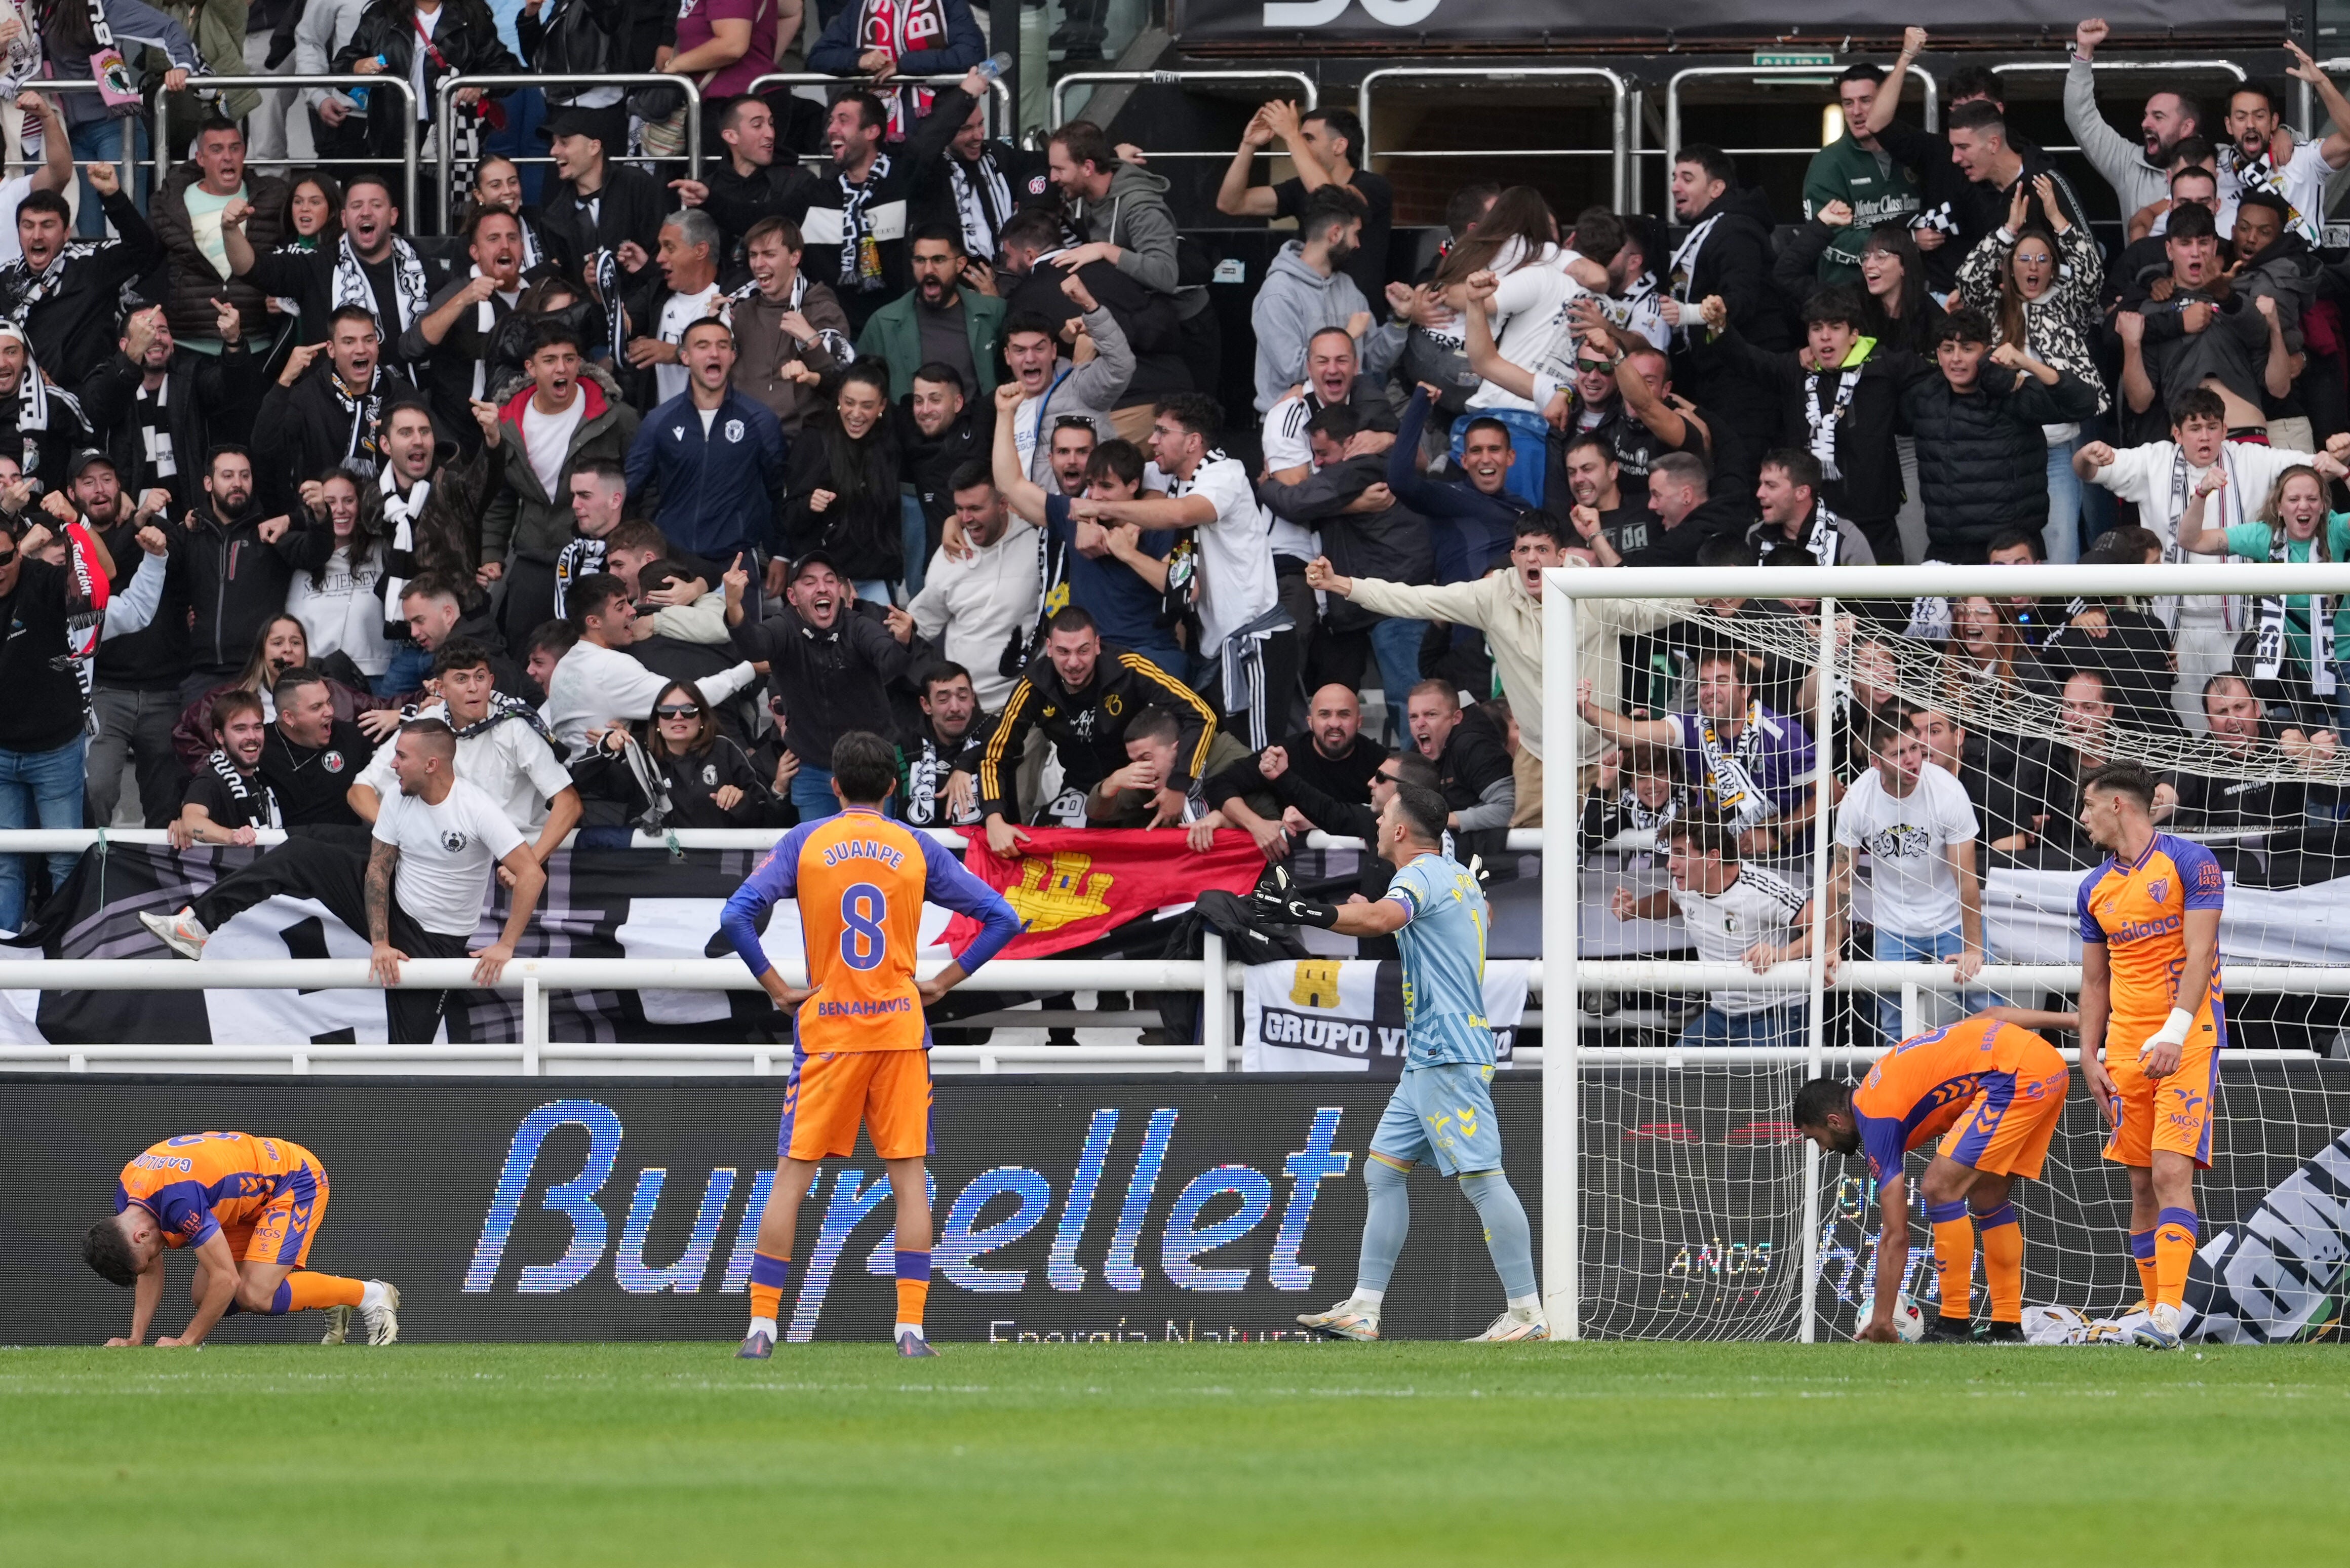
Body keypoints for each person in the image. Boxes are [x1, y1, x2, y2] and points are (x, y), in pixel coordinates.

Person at [724, 729, 1019, 1359]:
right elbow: (1004, 918)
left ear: (833, 786)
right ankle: (910, 1329)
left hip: (828, 1031)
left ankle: (762, 1327)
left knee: (790, 1181)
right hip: (898, 1031)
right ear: (893, 786)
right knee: (909, 1182)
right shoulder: (915, 847)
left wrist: (777, 987)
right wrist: (943, 981)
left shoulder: (806, 841)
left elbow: (736, 917)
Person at [1253, 782, 1545, 1343]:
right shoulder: (1454, 874)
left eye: (1384, 813)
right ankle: (1364, 1309)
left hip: (1447, 1052)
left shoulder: (1416, 875)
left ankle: (1527, 1314)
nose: (1379, 821)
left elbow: (1383, 921)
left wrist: (1306, 910)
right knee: (1382, 1171)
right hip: (1432, 1054)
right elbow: (1465, 914)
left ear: (1401, 830)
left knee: (1482, 1179)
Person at [145, 717, 549, 1045]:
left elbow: (532, 874)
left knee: (408, 1064)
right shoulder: (397, 797)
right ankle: (195, 926)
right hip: (394, 908)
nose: (392, 765)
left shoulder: (476, 809)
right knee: (299, 853)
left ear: (432, 765)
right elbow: (377, 870)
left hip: (438, 944)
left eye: (401, 757)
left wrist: (506, 945)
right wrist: (380, 943)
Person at [1794, 1009, 2074, 1344]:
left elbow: (1896, 1234)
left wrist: (1883, 1321)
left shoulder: (1876, 1116)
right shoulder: (1883, 1074)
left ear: (1834, 1121)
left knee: (1939, 1188)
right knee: (1988, 1196)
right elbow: (1989, 1017)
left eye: (1816, 1138)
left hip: (2013, 1077)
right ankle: (2006, 1327)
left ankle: (1953, 1325)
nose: (1823, 1148)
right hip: (2046, 1064)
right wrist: (2073, 1022)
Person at [2073, 762, 2227, 1350]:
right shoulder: (2093, 888)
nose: (2082, 818)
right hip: (2124, 1051)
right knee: (2139, 1185)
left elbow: (2198, 953)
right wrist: (2089, 1055)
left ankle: (2167, 1317)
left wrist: (2173, 1032)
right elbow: (2093, 983)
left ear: (2118, 806)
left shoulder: (2190, 862)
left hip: (2185, 1041)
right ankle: (2151, 1308)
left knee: (2169, 1172)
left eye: (2088, 806)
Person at [2074, 387, 2329, 727]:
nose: (2205, 436)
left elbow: (2313, 472)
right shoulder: (2155, 459)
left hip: (2238, 629)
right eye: (2195, 428)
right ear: (2177, 433)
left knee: (2243, 727)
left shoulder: (2251, 458)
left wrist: (2333, 455)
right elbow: (2087, 472)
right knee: (2192, 727)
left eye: (2213, 427)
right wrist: (2087, 455)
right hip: (2175, 628)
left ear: (2225, 430)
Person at [1073, 393, 1286, 747]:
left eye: (1161, 431)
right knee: (1219, 758)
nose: (1152, 440)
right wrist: (1093, 517)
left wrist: (1110, 518)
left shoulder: (1224, 473)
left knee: (1261, 756)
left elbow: (1182, 514)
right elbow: (1120, 486)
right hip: (1211, 648)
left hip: (1254, 641)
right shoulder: (1167, 477)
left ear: (1193, 442)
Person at [82, 1131, 399, 1347]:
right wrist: (136, 1338)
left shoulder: (179, 1202)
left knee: (253, 1294)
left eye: (149, 1256)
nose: (155, 1262)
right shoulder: (129, 1195)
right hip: (239, 1200)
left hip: (291, 1180)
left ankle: (370, 1295)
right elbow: (151, 1268)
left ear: (141, 1235)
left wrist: (187, 1341)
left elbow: (227, 1280)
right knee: (205, 1297)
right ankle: (328, 1296)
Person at [1954, 179, 2107, 564]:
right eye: (2024, 259)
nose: (2033, 266)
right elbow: (1968, 277)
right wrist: (2008, 231)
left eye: (2042, 259)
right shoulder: (1993, 307)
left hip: (2056, 446)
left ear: (2053, 267)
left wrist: (2057, 218)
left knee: (2060, 544)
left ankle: (2061, 623)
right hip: (2001, 444)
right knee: (2003, 548)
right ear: (2010, 266)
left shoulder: (2067, 303)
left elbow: (2091, 273)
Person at [974, 605, 1212, 847]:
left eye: (1083, 651)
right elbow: (995, 755)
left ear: (1097, 645)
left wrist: (1178, 785)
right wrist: (994, 819)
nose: (1074, 663)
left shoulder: (1129, 667)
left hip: (1137, 785)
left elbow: (1202, 714)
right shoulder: (1034, 684)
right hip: (1079, 789)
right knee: (1055, 847)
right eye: (1063, 652)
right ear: (1049, 649)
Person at [985, 389, 1182, 676]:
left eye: (1107, 486)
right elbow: (1010, 484)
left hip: (1149, 656)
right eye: (1092, 485)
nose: (1096, 496)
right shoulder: (1074, 512)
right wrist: (1005, 414)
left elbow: (1185, 589)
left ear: (1133, 484)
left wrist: (1128, 554)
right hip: (1092, 660)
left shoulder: (1159, 523)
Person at [479, 321, 643, 648]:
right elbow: (502, 495)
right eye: (550, 359)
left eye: (570, 358)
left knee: (595, 648)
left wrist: (630, 550)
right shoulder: (507, 421)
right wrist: (492, 553)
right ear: (531, 367)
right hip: (533, 555)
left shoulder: (616, 417)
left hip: (597, 557)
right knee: (526, 648)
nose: (562, 368)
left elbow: (641, 488)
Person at [725, 550, 918, 821]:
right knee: (822, 858)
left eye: (829, 580)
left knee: (871, 853)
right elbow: (754, 646)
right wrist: (734, 605)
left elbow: (890, 661)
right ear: (793, 597)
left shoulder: (859, 626)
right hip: (813, 770)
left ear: (840, 591)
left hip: (869, 766)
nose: (822, 588)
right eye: (810, 582)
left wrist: (903, 641)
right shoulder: (785, 627)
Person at [1829, 713, 1987, 1041]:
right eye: (1898, 753)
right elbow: (1842, 879)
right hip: (1894, 926)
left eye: (1915, 748)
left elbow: (1966, 877)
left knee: (1985, 1008)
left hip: (1950, 920)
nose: (1912, 759)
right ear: (1876, 761)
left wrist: (1973, 947)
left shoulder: (1948, 790)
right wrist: (1833, 943)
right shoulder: (1857, 801)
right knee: (1895, 1030)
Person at [349, 638, 581, 858]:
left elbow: (568, 804)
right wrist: (394, 834)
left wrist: (528, 864)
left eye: (479, 678)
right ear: (441, 688)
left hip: (520, 846)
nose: (473, 688)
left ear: (491, 681)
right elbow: (360, 789)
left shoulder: (516, 727)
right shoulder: (427, 724)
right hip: (451, 850)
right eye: (461, 679)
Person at [1905, 308, 2100, 564]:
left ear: (1987, 352)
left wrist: (2028, 364)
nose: (1956, 359)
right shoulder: (1923, 397)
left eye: (1967, 349)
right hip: (1950, 549)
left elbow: (2084, 403)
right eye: (1948, 349)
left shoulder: (2012, 392)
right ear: (1938, 355)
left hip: (2014, 551)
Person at [1611, 816, 1816, 1050]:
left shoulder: (1760, 889)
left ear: (1712, 857)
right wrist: (1634, 910)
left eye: (1680, 853)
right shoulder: (1685, 887)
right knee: (1674, 1071)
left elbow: (1829, 925)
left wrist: (1782, 953)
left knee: (1760, 1087)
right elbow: (1674, 901)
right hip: (1720, 1015)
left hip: (1777, 1013)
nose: (1670, 864)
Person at [624, 317, 790, 596]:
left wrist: (781, 554)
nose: (714, 353)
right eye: (703, 346)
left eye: (722, 346)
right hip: (673, 562)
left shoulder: (760, 421)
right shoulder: (659, 421)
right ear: (685, 357)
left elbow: (780, 494)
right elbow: (631, 490)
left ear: (733, 356)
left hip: (736, 565)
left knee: (741, 641)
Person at [1577, 648, 1817, 840]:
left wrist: (1777, 835)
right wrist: (1586, 710)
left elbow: (1832, 796)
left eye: (1722, 681)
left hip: (1788, 856)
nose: (1710, 691)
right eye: (1704, 684)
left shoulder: (1783, 733)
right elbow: (1630, 733)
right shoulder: (1691, 726)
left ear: (1745, 690)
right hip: (1719, 853)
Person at [2175, 463, 2350, 725]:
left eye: (2312, 499)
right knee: (2303, 756)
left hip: (2348, 662)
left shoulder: (2337, 529)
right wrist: (2201, 493)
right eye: (2294, 499)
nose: (2304, 506)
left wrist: (2345, 473)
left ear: (2323, 506)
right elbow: (2191, 540)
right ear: (2279, 507)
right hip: (2294, 671)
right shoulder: (2264, 536)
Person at [222, 173, 444, 372]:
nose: (366, 212)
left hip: (407, 404)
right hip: (333, 406)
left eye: (376, 205)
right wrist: (230, 230)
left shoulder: (424, 269)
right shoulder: (318, 266)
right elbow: (252, 268)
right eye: (357, 206)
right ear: (345, 219)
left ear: (393, 216)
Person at [2112, 203, 2285, 434]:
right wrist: (2132, 343)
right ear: (2169, 250)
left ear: (2215, 247)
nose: (2195, 252)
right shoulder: (2153, 308)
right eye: (2185, 243)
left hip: (2246, 433)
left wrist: (2225, 296)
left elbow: (2270, 365)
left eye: (2203, 242)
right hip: (2190, 444)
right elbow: (2140, 402)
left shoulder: (2242, 296)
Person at [79, 303, 262, 519]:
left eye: (163, 331)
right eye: (145, 331)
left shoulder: (191, 375)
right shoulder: (106, 379)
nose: (155, 337)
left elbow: (232, 390)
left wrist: (234, 342)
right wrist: (131, 359)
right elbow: (100, 407)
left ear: (173, 344)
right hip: (127, 522)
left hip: (190, 521)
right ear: (124, 344)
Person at [802, 90, 963, 333]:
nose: (832, 129)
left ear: (872, 132)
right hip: (841, 336)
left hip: (904, 329)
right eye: (831, 121)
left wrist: (967, 93)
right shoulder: (818, 195)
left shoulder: (905, 178)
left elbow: (930, 139)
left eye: (843, 120)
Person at [542, 572, 757, 755]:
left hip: (580, 777)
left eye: (628, 601)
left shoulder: (566, 663)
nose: (633, 611)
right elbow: (689, 699)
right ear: (594, 622)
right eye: (620, 607)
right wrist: (752, 668)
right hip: (608, 791)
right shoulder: (610, 667)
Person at [1215, 101, 1393, 310]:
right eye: (1300, 138)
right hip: (1310, 310)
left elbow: (1333, 199)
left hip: (1359, 316)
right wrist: (1248, 145)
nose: (1300, 144)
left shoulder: (1374, 185)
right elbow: (1231, 203)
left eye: (1308, 138)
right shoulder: (1299, 188)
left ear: (1339, 146)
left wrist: (1291, 135)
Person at [1250, 186, 1401, 418]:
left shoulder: (1347, 287)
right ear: (1335, 234)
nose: (1358, 244)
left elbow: (1374, 360)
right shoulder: (1278, 293)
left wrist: (1400, 321)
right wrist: (1347, 337)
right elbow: (1295, 371)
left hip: (1348, 421)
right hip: (1293, 424)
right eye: (1355, 234)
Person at [0, 173, 160, 386]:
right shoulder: (6, 277)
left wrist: (113, 196)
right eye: (28, 226)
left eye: (47, 225)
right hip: (21, 402)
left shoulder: (92, 263)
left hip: (83, 399)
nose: (37, 235)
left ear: (66, 233)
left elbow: (143, 248)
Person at [250, 307, 414, 515]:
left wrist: (402, 435)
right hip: (324, 522)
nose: (361, 349)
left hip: (388, 518)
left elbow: (434, 451)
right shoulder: (307, 396)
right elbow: (264, 448)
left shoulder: (400, 395)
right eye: (349, 342)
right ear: (331, 349)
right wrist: (284, 382)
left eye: (369, 340)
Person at [571, 678, 786, 832]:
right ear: (656, 722)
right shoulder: (639, 757)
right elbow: (581, 783)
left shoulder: (725, 751)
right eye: (667, 712)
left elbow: (763, 817)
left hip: (716, 869)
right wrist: (604, 750)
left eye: (688, 710)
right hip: (653, 870)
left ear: (702, 717)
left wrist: (741, 802)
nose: (677, 717)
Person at [149, 115, 290, 350]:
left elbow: (297, 253)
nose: (228, 156)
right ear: (200, 159)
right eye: (217, 149)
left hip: (256, 342)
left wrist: (285, 296)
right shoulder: (169, 201)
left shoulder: (273, 197)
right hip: (187, 343)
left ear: (244, 153)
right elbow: (143, 257)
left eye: (235, 148)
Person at [908, 460, 1037, 714]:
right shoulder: (949, 556)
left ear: (1003, 504)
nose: (967, 519)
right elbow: (920, 627)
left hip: (1024, 705)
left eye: (976, 508)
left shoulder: (1037, 547)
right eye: (960, 509)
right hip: (965, 711)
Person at [402, 206, 527, 445]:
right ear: (475, 252)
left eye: (512, 238)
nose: (505, 246)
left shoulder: (537, 294)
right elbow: (410, 348)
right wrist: (464, 299)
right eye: (493, 239)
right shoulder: (459, 291)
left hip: (520, 433)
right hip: (463, 437)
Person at [782, 362, 906, 597]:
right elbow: (788, 519)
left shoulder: (892, 439)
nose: (856, 414)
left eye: (867, 406)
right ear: (838, 399)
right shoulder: (814, 441)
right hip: (823, 581)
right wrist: (809, 504)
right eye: (849, 403)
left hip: (876, 577)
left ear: (882, 406)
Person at [2064, 19, 2209, 217]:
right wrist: (2084, 50)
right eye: (2146, 116)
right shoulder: (2129, 165)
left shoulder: (2223, 162)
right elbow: (2081, 118)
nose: (2145, 124)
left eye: (2158, 117)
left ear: (2186, 128)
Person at [725, 216, 853, 434]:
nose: (758, 264)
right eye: (753, 255)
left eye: (769, 254)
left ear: (795, 257)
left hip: (797, 441)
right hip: (739, 435)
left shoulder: (822, 310)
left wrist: (813, 342)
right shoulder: (737, 309)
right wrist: (710, 329)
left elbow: (843, 384)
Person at [1803, 64, 1923, 285]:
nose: (1856, 111)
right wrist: (1908, 242)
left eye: (1866, 100)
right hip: (1849, 296)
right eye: (1848, 103)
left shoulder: (1917, 149)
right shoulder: (1828, 162)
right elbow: (1830, 240)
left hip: (1911, 293)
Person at [2217, 45, 2350, 244]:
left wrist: (2321, 82)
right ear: (2229, 125)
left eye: (2259, 116)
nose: (2250, 125)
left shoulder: (2304, 159)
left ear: (2274, 121)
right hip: (2236, 271)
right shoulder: (2216, 168)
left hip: (2296, 270)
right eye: (2241, 117)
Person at [997, 294, 1133, 484]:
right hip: (1018, 512)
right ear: (1008, 356)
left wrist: (1091, 309)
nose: (1030, 359)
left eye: (1039, 349)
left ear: (1053, 351)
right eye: (1020, 350)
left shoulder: (1079, 384)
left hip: (1080, 509)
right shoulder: (1000, 405)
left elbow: (1121, 366)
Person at [856, 226, 1004, 401]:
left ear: (960, 264)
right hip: (911, 426)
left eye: (938, 260)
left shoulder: (994, 313)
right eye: (920, 260)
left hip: (978, 424)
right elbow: (860, 386)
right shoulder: (884, 323)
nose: (928, 270)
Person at [805, 0, 986, 138]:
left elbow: (971, 55)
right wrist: (860, 60)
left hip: (938, 133)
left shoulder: (948, 3)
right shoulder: (860, 6)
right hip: (877, 135)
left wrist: (904, 65)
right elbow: (818, 56)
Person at [670, 95, 818, 262]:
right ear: (731, 136)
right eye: (757, 125)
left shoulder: (800, 181)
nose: (770, 134)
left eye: (771, 124)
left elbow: (768, 223)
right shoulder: (704, 189)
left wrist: (711, 201)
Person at [538, 104, 667, 280]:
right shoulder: (556, 214)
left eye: (564, 143)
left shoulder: (637, 186)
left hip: (649, 301)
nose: (553, 151)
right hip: (590, 306)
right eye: (554, 144)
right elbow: (567, 281)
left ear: (594, 147)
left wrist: (645, 271)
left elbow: (664, 254)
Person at [260, 665, 378, 831]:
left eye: (329, 702)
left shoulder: (354, 738)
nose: (330, 712)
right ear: (289, 717)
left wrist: (399, 716)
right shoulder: (260, 747)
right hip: (288, 849)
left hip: (349, 847)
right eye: (316, 707)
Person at [1404, 679, 1513, 836]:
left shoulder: (1476, 748)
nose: (1420, 723)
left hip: (1488, 854)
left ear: (1456, 718)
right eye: (1413, 717)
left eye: (1431, 715)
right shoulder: (1414, 754)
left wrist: (1444, 820)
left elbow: (1508, 809)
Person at [173, 688, 282, 845]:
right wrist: (231, 836)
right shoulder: (209, 781)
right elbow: (192, 820)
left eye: (257, 727)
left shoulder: (266, 774)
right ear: (220, 736)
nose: (252, 736)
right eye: (240, 729)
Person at [897, 661, 989, 829]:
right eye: (943, 699)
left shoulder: (997, 734)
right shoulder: (906, 748)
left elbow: (1006, 741)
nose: (955, 707)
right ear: (926, 705)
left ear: (973, 699)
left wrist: (965, 766)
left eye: (963, 697)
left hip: (983, 850)